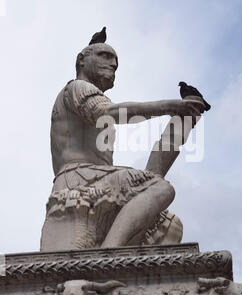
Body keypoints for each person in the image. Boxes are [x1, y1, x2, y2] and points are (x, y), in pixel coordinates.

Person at [40, 41, 205, 251]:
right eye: (104, 56)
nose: (112, 65)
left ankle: (115, 259)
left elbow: (153, 175)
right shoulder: (76, 87)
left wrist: (183, 121)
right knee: (160, 188)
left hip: (98, 180)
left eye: (115, 64)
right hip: (78, 178)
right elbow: (106, 113)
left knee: (169, 223)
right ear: (81, 60)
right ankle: (107, 256)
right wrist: (167, 106)